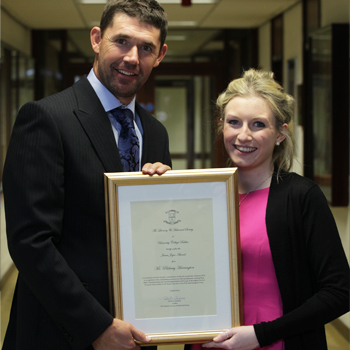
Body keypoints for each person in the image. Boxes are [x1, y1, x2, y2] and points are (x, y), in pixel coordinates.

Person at [2, 1, 171, 349]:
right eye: (121, 41)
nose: (131, 58)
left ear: (161, 54)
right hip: (60, 331)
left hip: (138, 332)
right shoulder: (46, 118)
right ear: (97, 39)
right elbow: (30, 242)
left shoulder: (155, 133)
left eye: (146, 48)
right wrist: (97, 326)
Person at [201, 69, 349, 349]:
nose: (243, 135)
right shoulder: (203, 195)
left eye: (258, 124)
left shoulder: (302, 197)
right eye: (234, 122)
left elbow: (340, 291)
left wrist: (261, 335)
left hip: (275, 343)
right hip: (208, 343)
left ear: (281, 133)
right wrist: (156, 188)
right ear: (221, 125)